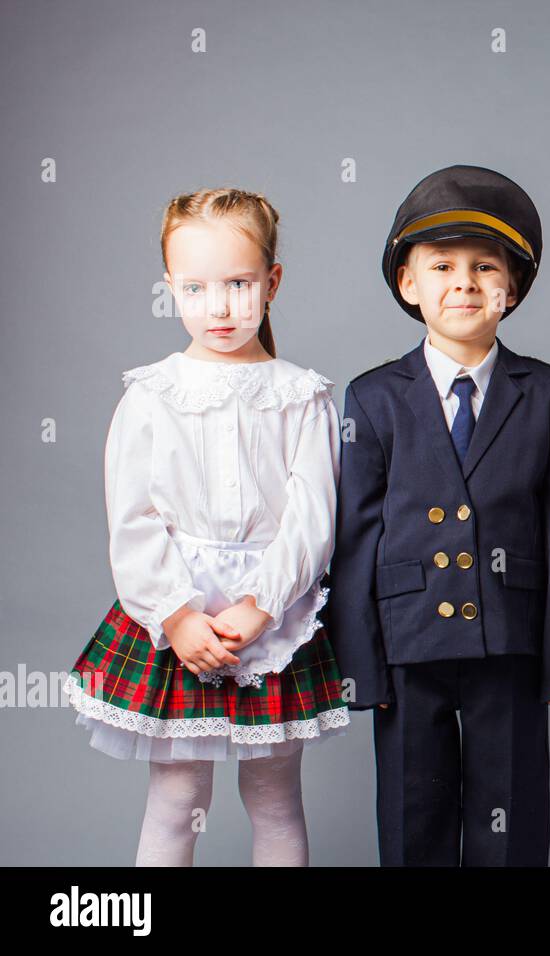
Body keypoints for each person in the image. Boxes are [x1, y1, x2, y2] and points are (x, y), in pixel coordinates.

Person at [64, 188, 349, 866]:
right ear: (171, 290)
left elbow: (314, 515)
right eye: (195, 287)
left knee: (276, 798)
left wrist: (264, 606)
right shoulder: (150, 396)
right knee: (174, 799)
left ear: (272, 282)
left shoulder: (301, 396)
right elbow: (132, 519)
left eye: (239, 284)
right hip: (178, 619)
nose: (218, 307)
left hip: (273, 619)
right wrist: (175, 615)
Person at [329, 165, 550, 867]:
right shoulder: (373, 397)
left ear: (511, 289)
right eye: (442, 265)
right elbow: (356, 538)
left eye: (486, 267)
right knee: (411, 817)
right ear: (408, 284)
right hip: (406, 645)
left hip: (509, 644)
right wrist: (358, 666)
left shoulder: (545, 393)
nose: (465, 282)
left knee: (509, 825)